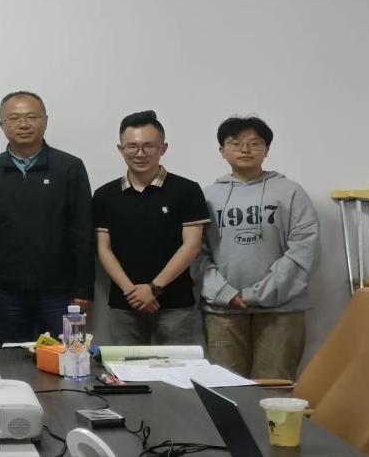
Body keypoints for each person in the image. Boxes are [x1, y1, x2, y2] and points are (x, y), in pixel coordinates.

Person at [192, 116, 319, 380]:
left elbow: (303, 248)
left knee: (274, 389)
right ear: (222, 150)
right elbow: (195, 252)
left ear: (266, 149)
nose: (245, 149)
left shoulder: (290, 192)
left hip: (281, 310)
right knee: (227, 388)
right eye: (235, 143)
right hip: (223, 310)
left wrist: (259, 293)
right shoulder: (206, 196)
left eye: (254, 143)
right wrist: (224, 293)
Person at [0, 91, 95, 347]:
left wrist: (83, 290)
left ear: (45, 121)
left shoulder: (69, 167)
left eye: (32, 117)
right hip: (4, 293)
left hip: (59, 293)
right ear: (1, 124)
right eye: (14, 118)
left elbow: (83, 231)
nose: (23, 124)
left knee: (64, 359)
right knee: (9, 361)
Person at [93, 111, 210, 345]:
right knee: (126, 368)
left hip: (176, 303)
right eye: (132, 147)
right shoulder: (105, 195)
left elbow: (192, 246)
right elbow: (103, 249)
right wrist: (132, 292)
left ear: (162, 148)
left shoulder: (187, 190)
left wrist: (154, 288)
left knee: (178, 367)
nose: (140, 153)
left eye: (149, 146)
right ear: (121, 149)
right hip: (125, 303)